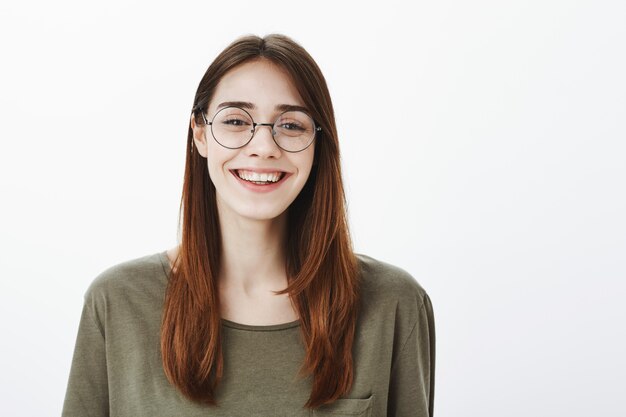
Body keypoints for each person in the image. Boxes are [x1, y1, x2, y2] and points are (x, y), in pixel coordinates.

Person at [61, 33, 435, 417]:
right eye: (237, 120)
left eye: (291, 125)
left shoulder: (393, 304)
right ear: (201, 134)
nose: (264, 146)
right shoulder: (117, 302)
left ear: (318, 143)